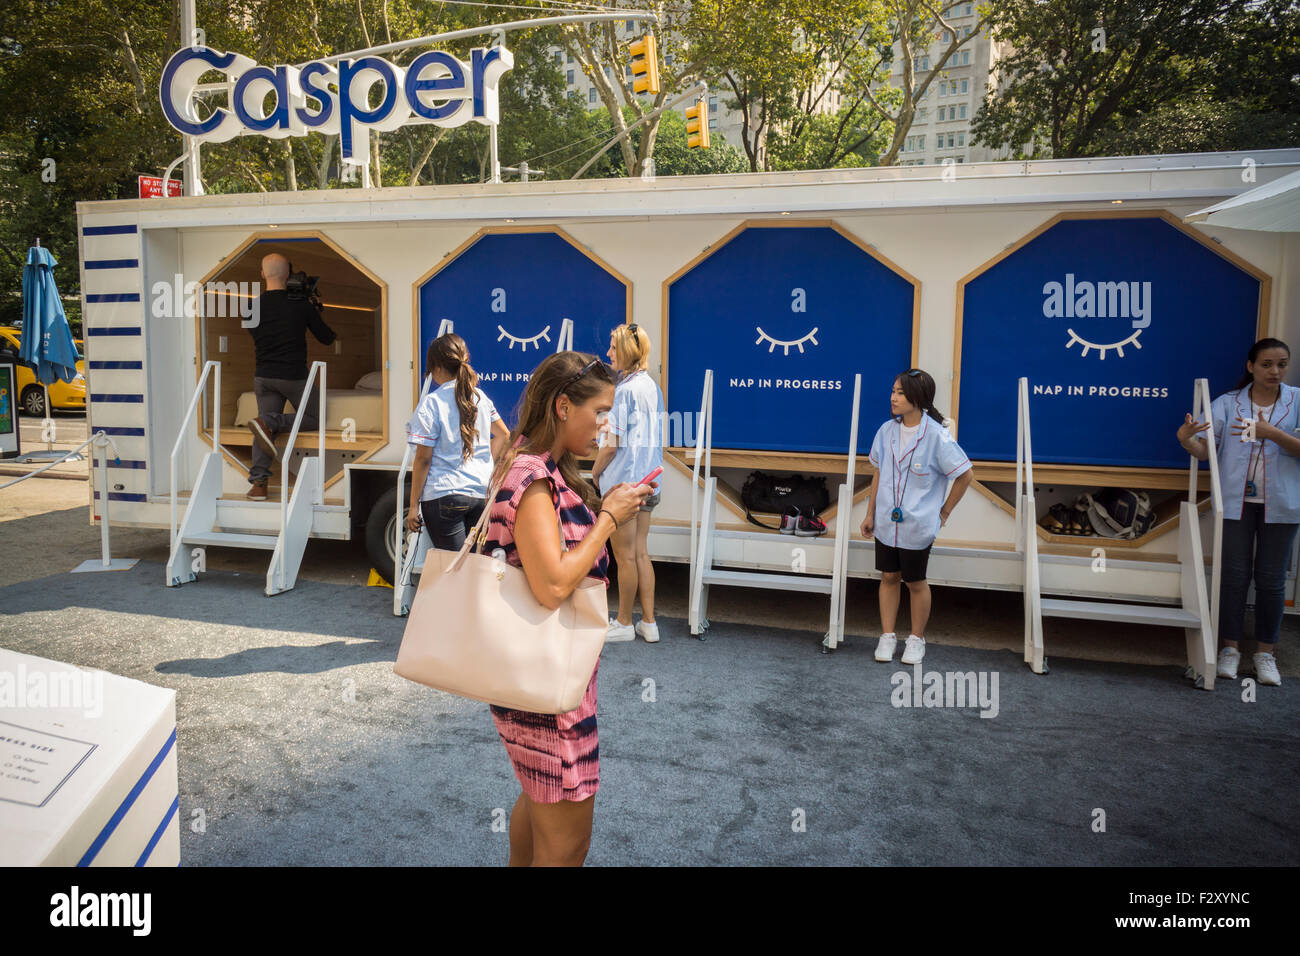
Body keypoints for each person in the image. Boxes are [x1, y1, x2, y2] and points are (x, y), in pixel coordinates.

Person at [482, 351, 653, 866]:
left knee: (538, 807)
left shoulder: (539, 466)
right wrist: (606, 518)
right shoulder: (533, 477)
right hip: (547, 688)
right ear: (562, 406)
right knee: (568, 844)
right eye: (599, 411)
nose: (606, 425)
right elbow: (553, 584)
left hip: (546, 677)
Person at [1178, 337, 1299, 687]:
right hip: (1235, 503)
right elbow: (1204, 451)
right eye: (1266, 364)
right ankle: (1229, 649)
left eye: (1281, 364)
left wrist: (1271, 433)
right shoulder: (1229, 403)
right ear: (1250, 367)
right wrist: (1186, 438)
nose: (1274, 371)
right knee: (1233, 578)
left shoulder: (1297, 400)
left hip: (1283, 504)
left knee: (1272, 581)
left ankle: (1265, 654)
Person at [861, 368, 973, 665]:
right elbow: (879, 473)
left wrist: (944, 512)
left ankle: (916, 639)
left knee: (915, 581)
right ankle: (887, 636)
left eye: (899, 392)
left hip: (918, 526)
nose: (893, 397)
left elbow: (965, 475)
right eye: (893, 391)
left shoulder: (937, 436)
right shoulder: (886, 431)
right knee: (888, 576)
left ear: (917, 398)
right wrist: (870, 513)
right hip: (886, 522)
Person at [591, 323, 665, 643]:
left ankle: (622, 622)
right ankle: (648, 623)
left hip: (623, 485)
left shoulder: (624, 391)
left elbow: (610, 444)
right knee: (640, 554)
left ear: (627, 351)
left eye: (613, 348)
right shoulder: (651, 387)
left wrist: (595, 474)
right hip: (649, 481)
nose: (608, 354)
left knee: (624, 557)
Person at [403, 333, 511, 550]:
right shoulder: (480, 397)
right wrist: (484, 463)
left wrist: (413, 506)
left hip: (444, 494)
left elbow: (423, 459)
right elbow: (504, 435)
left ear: (437, 367)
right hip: (481, 492)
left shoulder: (432, 403)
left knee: (452, 569)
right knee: (473, 564)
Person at [245, 253, 337, 500]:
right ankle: (272, 422)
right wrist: (312, 309)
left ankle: (259, 485)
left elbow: (257, 334)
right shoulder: (300, 304)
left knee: (263, 427)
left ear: (263, 274)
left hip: (263, 377)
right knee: (316, 417)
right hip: (293, 376)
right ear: (288, 275)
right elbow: (327, 337)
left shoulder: (250, 307)